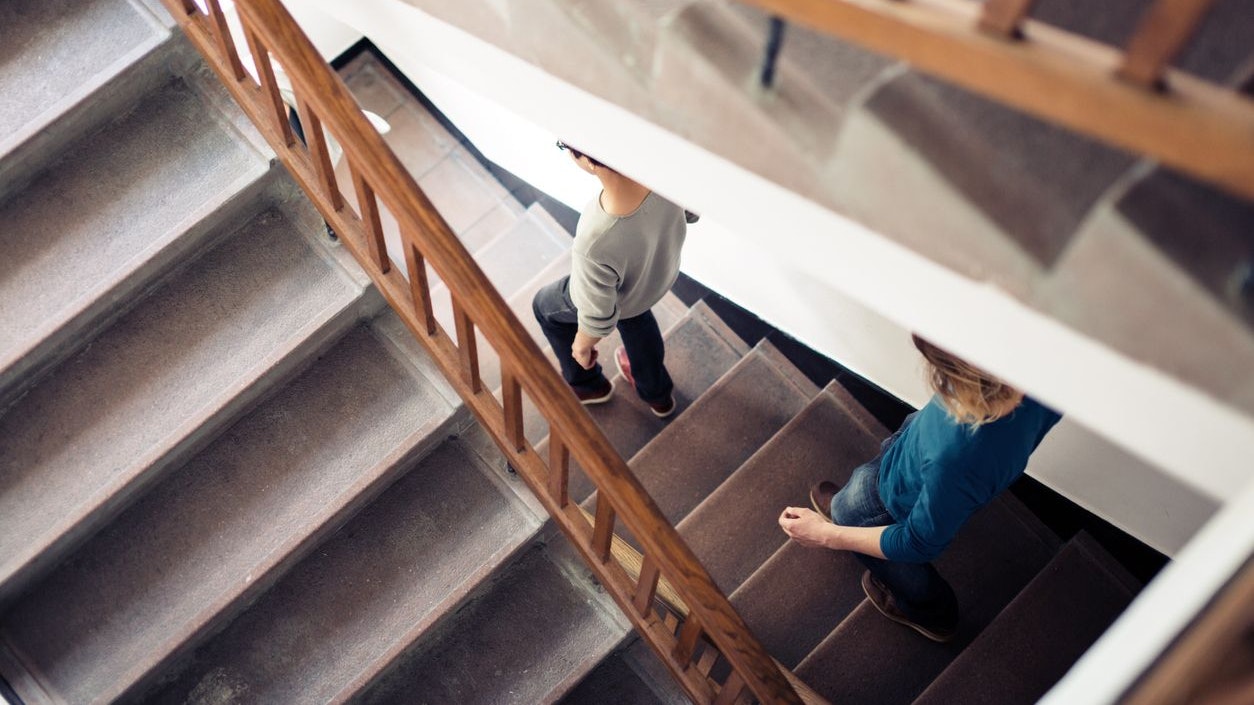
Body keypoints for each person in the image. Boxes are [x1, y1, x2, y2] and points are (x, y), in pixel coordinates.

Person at [778, 335, 1061, 642]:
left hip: (899, 498)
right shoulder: (1049, 365)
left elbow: (917, 542)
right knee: (858, 491)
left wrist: (828, 535)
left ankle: (931, 614)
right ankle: (847, 508)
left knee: (851, 512)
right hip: (917, 451)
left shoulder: (957, 455)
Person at [532, 141, 691, 417]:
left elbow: (597, 314)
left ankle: (588, 385)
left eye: (565, 147)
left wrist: (582, 346)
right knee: (636, 317)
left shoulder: (596, 238)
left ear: (590, 161)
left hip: (625, 294)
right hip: (656, 279)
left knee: (544, 307)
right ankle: (658, 395)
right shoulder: (665, 172)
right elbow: (690, 213)